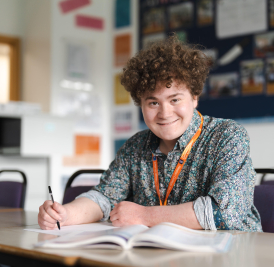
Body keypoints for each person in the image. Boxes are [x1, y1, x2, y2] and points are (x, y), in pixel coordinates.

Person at [38, 35, 262, 232]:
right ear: (140, 104)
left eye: (175, 99)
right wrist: (63, 215)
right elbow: (104, 197)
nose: (164, 113)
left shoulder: (227, 136)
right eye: (153, 102)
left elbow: (221, 212)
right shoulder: (135, 146)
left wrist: (144, 216)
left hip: (229, 254)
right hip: (160, 254)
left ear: (194, 97)